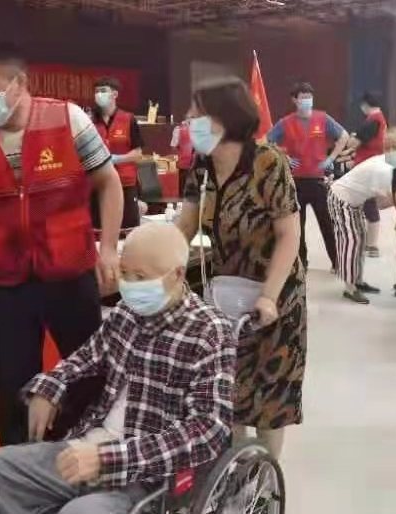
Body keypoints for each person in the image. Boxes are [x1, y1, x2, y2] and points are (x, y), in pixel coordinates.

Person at [0, 223, 236, 514]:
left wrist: (109, 457)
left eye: (140, 277)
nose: (129, 285)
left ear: (178, 274)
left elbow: (208, 430)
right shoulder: (126, 314)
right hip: (85, 449)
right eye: (124, 273)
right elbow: (85, 358)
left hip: (148, 476)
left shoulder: (210, 331)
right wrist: (50, 386)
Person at [0, 36, 124, 446]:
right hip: (5, 282)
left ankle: (86, 454)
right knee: (12, 382)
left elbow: (108, 182)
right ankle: (18, 463)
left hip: (69, 271)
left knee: (88, 372)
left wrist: (109, 248)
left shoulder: (67, 119)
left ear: (19, 83)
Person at [176, 76, 306, 458]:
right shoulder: (202, 165)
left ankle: (264, 478)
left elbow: (289, 235)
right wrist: (159, 265)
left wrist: (269, 297)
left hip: (274, 297)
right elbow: (185, 226)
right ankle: (233, 475)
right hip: (224, 297)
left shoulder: (268, 162)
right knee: (226, 394)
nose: (188, 121)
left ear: (224, 118)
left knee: (269, 400)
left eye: (195, 114)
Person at [267, 81, 348, 270]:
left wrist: (331, 158)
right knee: (298, 226)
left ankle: (338, 262)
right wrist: (284, 157)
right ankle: (301, 263)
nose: (307, 101)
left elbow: (343, 136)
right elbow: (267, 142)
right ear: (295, 100)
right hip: (295, 182)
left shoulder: (323, 119)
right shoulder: (285, 123)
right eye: (303, 98)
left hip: (318, 180)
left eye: (310, 97)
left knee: (328, 223)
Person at [328, 128, 396, 304]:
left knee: (360, 239)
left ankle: (357, 281)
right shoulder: (384, 170)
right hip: (341, 198)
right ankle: (350, 288)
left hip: (354, 200)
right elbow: (381, 203)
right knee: (351, 241)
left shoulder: (387, 162)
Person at [92, 76, 144, 228]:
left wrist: (116, 158)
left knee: (128, 227)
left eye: (103, 91)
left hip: (125, 183)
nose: (99, 94)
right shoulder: (90, 121)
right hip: (99, 183)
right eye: (96, 91)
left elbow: (138, 154)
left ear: (114, 94)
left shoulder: (128, 119)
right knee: (99, 228)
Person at [351, 91, 389, 259]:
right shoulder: (380, 119)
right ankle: (368, 243)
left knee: (368, 204)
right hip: (371, 165)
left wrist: (351, 139)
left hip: (367, 167)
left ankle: (372, 245)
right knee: (366, 204)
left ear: (365, 104)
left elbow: (354, 143)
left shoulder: (372, 121)